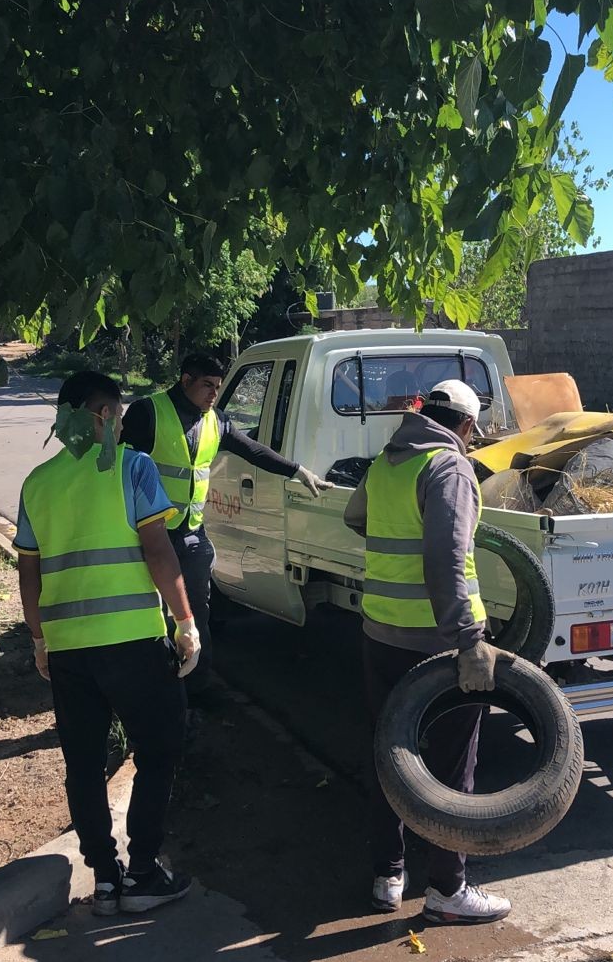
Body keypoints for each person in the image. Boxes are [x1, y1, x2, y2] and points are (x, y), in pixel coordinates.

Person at [15, 370, 201, 917]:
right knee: (161, 748)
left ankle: (103, 878)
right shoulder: (132, 467)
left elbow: (29, 572)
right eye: (112, 412)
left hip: (70, 651)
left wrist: (39, 639)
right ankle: (143, 871)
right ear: (94, 415)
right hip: (132, 643)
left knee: (84, 762)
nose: (119, 422)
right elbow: (159, 552)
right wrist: (186, 620)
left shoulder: (38, 482)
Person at [343, 379, 512, 927]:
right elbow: (445, 559)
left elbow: (355, 517)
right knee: (450, 766)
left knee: (390, 754)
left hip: (380, 633)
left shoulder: (387, 462)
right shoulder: (449, 467)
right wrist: (469, 643)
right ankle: (448, 889)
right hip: (436, 646)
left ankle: (387, 875)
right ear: (465, 425)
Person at [121, 349, 329, 692]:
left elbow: (253, 450)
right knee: (151, 612)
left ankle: (197, 687)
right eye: (207, 385)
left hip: (190, 533)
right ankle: (155, 687)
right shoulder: (149, 413)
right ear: (185, 380)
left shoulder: (215, 421)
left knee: (197, 613)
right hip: (150, 534)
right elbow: (120, 464)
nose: (214, 393)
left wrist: (297, 470)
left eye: (218, 386)